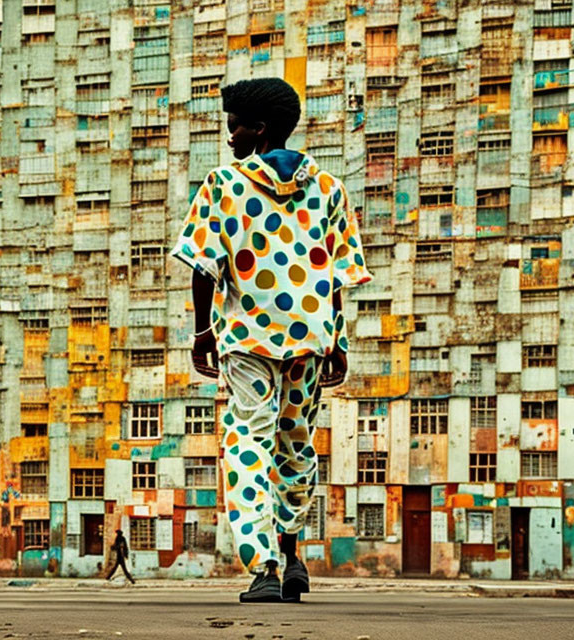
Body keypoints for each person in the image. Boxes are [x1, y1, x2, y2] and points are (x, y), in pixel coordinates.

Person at [170, 77, 371, 603]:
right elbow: (336, 276)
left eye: (234, 127)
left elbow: (203, 266)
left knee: (248, 446)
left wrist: (202, 333)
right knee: (296, 446)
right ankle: (294, 555)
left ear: (257, 129)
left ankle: (262, 568)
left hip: (247, 338)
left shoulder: (223, 184)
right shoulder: (329, 189)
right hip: (309, 337)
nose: (230, 137)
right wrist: (339, 341)